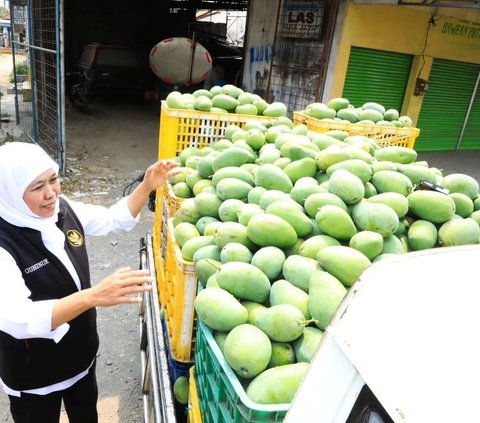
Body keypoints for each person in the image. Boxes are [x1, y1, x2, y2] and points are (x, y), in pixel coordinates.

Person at [0, 141, 180, 423]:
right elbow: (16, 318)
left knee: (86, 414)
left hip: (80, 353)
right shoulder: (4, 243)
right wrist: (94, 296)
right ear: (10, 192)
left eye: (53, 179)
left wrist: (146, 186)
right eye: (37, 187)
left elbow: (113, 219)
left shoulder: (62, 209)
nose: (51, 194)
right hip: (34, 371)